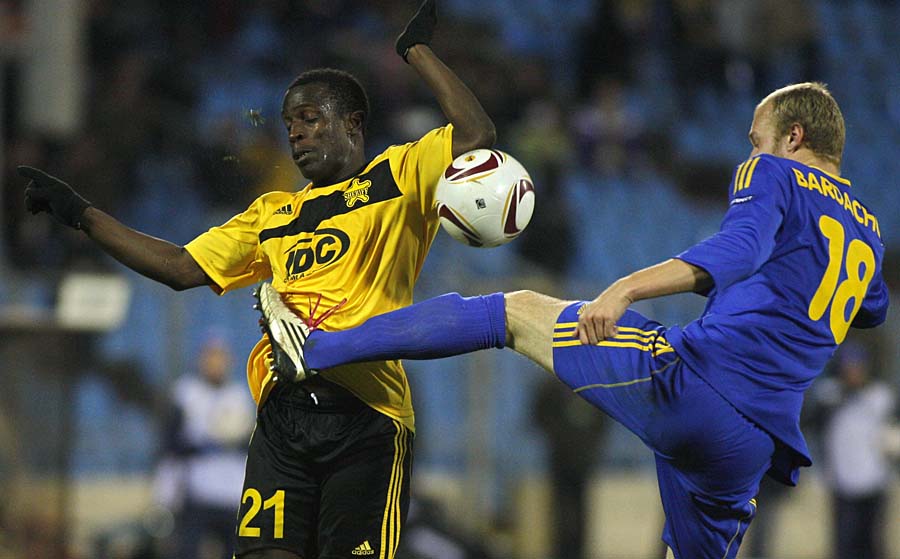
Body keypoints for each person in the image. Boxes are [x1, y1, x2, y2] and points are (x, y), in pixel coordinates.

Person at [256, 82, 889, 559]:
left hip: (694, 385)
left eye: (756, 137)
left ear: (793, 138)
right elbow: (870, 307)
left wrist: (626, 287)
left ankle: (314, 350)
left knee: (513, 309)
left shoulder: (772, 172)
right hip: (752, 446)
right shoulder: (869, 229)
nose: (751, 148)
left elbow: (739, 252)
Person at [19, 1, 496, 557]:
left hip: (367, 418)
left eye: (310, 118)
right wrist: (82, 213)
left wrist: (415, 49)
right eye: (290, 123)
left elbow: (477, 132)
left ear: (352, 123)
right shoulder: (272, 212)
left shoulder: (400, 176)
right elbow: (179, 268)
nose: (295, 133)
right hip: (281, 418)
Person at [152, 336, 255, 559]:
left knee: (235, 552)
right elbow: (171, 444)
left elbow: (250, 445)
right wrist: (165, 491)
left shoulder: (239, 397)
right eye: (210, 357)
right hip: (198, 492)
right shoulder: (185, 393)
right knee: (187, 551)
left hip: (231, 493)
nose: (215, 363)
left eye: (220, 357)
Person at [806, 341, 897, 559]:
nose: (853, 372)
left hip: (875, 481)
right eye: (849, 367)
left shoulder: (881, 396)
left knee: (873, 544)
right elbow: (811, 428)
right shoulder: (828, 395)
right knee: (844, 545)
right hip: (842, 482)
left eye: (857, 366)